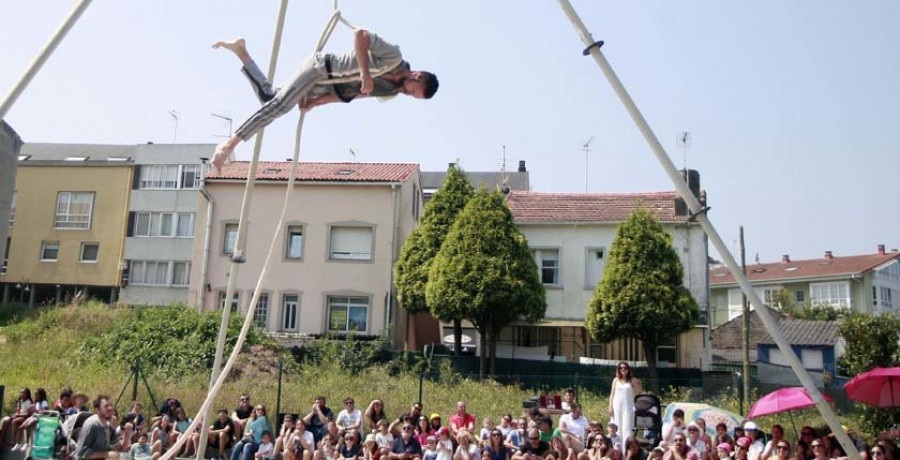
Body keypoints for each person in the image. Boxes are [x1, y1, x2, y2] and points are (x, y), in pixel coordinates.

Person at [210, 29, 439, 169]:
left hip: (324, 86)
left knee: (269, 97)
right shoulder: (394, 56)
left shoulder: (390, 92)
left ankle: (241, 51)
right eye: (412, 90)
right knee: (278, 107)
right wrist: (365, 73)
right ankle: (228, 146)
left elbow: (355, 94)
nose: (407, 94)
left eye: (412, 97)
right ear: (416, 76)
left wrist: (318, 102)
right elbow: (360, 35)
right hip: (319, 67)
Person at [72, 395, 128, 460]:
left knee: (125, 456)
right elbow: (81, 452)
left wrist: (127, 433)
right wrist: (106, 454)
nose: (110, 408)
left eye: (111, 405)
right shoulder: (92, 425)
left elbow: (119, 448)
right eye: (106, 406)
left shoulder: (108, 427)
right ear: (97, 410)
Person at [609, 363, 642, 452]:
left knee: (627, 428)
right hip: (617, 407)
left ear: (628, 369)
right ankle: (617, 451)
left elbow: (640, 392)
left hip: (628, 407)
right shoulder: (615, 380)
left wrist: (636, 382)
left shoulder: (631, 380)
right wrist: (610, 407)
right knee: (617, 427)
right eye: (621, 368)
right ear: (618, 369)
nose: (623, 369)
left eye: (625, 368)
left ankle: (627, 451)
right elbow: (612, 395)